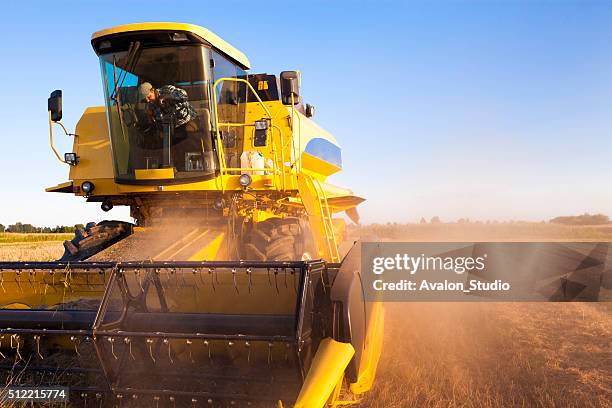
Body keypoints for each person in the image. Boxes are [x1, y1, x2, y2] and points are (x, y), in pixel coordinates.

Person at [138, 82, 200, 170]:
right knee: (162, 140)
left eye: (148, 97)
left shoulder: (166, 90)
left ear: (153, 90)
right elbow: (160, 122)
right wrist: (150, 117)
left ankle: (190, 167)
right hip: (173, 127)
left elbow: (184, 96)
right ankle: (170, 167)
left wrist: (167, 97)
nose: (148, 100)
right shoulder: (151, 106)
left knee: (187, 135)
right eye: (145, 100)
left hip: (189, 120)